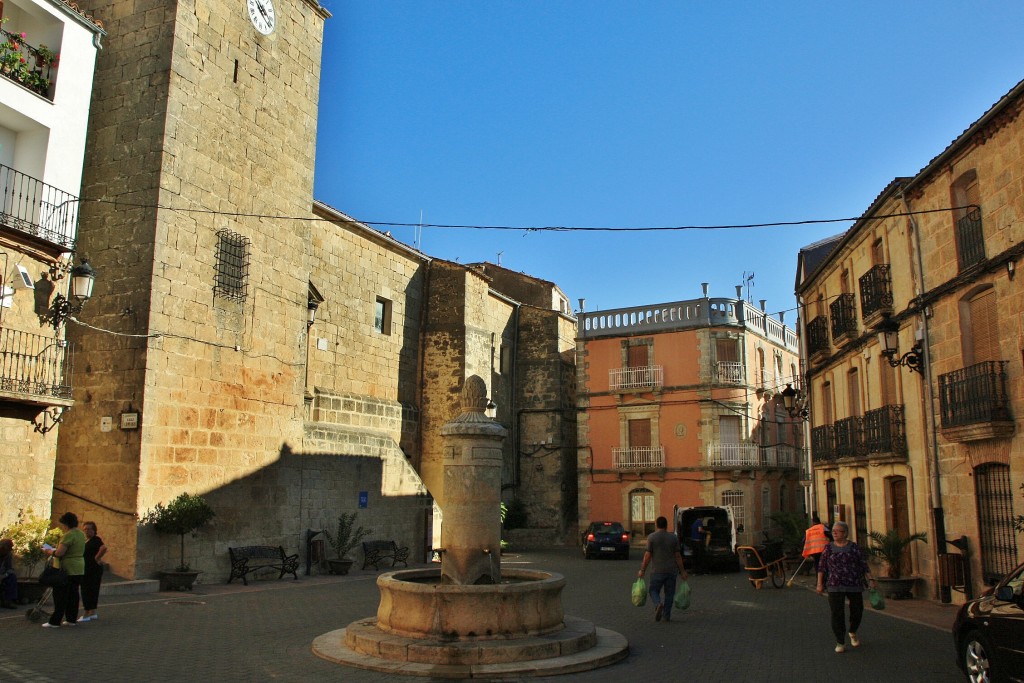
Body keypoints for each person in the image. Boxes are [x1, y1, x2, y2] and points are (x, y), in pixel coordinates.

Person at [816, 520, 876, 653]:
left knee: (857, 611)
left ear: (845, 533)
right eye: (833, 531)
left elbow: (863, 564)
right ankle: (840, 641)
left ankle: (853, 631)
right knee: (837, 614)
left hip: (853, 584)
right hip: (834, 584)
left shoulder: (854, 548)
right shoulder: (828, 548)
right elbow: (822, 567)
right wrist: (819, 584)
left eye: (838, 531)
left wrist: (870, 578)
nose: (835, 533)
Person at [638, 516, 688, 622]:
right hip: (671, 571)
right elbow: (678, 556)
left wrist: (642, 570)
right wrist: (682, 571)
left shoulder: (651, 537)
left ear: (656, 525)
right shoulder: (673, 538)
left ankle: (658, 603)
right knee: (669, 594)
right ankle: (666, 615)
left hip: (657, 571)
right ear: (666, 525)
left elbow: (647, 555)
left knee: (653, 590)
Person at [42, 512, 86, 628]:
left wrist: (49, 550)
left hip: (67, 568)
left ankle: (55, 621)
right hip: (79, 567)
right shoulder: (81, 534)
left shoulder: (68, 535)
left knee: (60, 595)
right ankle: (71, 619)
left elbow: (60, 553)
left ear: (66, 524)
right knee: (73, 594)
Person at [79, 521, 108, 622]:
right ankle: (92, 612)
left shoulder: (96, 540)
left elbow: (103, 548)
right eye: (85, 529)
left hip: (92, 569)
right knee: (89, 590)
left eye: (89, 529)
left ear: (94, 530)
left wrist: (97, 558)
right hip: (87, 569)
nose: (87, 531)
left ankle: (88, 612)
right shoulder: (87, 540)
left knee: (89, 590)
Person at [1, 538, 16, 608]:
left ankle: (8, 601)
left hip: (3, 574)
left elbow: (10, 568)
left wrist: (4, 575)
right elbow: (45, 546)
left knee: (12, 577)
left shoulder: (8, 555)